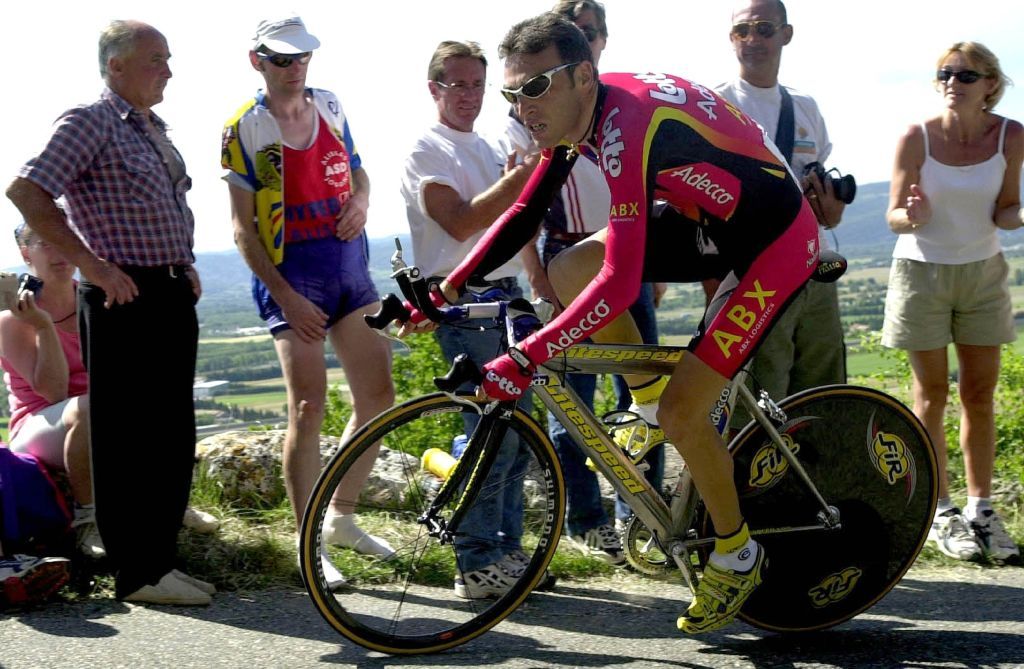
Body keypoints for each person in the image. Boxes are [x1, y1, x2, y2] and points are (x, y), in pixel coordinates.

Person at [414, 12, 820, 633]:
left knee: (690, 409)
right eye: (512, 92)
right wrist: (444, 289)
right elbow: (526, 212)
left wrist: (527, 356)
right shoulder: (580, 112)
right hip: (710, 221)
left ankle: (738, 554)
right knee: (572, 263)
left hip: (773, 242)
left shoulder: (628, 124)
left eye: (535, 87)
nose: (522, 106)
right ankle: (651, 405)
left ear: (581, 75)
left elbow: (624, 284)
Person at [6, 20, 213, 606]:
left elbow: (168, 206)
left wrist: (186, 261)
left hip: (168, 291)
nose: (168, 70)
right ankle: (138, 573)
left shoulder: (152, 128)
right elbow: (27, 191)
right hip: (124, 297)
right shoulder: (89, 120)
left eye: (168, 58)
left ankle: (159, 561)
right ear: (116, 66)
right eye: (155, 59)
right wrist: (92, 266)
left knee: (170, 435)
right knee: (128, 437)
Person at [221, 15, 397, 591]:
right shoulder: (243, 127)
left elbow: (359, 170)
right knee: (306, 408)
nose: (293, 69)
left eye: (301, 58)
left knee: (378, 394)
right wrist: (287, 297)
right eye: (280, 60)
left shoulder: (332, 106)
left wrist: (364, 201)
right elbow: (244, 231)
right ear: (257, 61)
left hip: (347, 264)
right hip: (292, 272)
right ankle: (307, 542)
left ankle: (341, 517)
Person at [400, 40, 539, 598]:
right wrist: (518, 181)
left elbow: (508, 223)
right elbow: (458, 224)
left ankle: (505, 551)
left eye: (477, 85)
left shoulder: (480, 146)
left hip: (503, 297)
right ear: (434, 88)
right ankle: (476, 560)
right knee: (489, 435)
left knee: (516, 435)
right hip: (463, 303)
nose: (469, 96)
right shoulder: (426, 149)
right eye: (457, 84)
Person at [882, 41, 1022, 565]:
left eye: (965, 75)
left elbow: (1005, 210)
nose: (953, 82)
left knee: (980, 395)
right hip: (921, 271)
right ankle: (940, 511)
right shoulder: (915, 137)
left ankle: (983, 510)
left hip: (983, 272)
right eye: (945, 73)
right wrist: (911, 216)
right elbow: (895, 214)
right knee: (932, 394)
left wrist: (1023, 215)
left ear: (990, 83)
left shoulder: (1012, 135)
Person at [505, 0, 631, 565]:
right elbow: (522, 210)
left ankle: (640, 524)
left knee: (642, 399)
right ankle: (586, 522)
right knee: (570, 405)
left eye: (591, 32)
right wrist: (537, 275)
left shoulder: (617, 112)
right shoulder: (535, 113)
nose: (523, 100)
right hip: (569, 253)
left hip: (627, 247)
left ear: (596, 47)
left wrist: (640, 270)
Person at [715, 0, 847, 434]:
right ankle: (755, 499)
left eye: (765, 29)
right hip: (754, 272)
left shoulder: (806, 107)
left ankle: (816, 492)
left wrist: (831, 209)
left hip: (814, 269)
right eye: (743, 30)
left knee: (823, 397)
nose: (753, 40)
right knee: (759, 400)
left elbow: (828, 208)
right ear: (731, 37)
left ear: (786, 35)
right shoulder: (717, 104)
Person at [0, 221, 100, 559]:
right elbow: (54, 392)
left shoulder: (93, 297)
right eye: (47, 243)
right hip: (39, 424)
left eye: (65, 240)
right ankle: (89, 521)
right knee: (87, 408)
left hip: (95, 410)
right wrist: (42, 326)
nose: (60, 252)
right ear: (26, 254)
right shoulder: (12, 320)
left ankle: (170, 507)